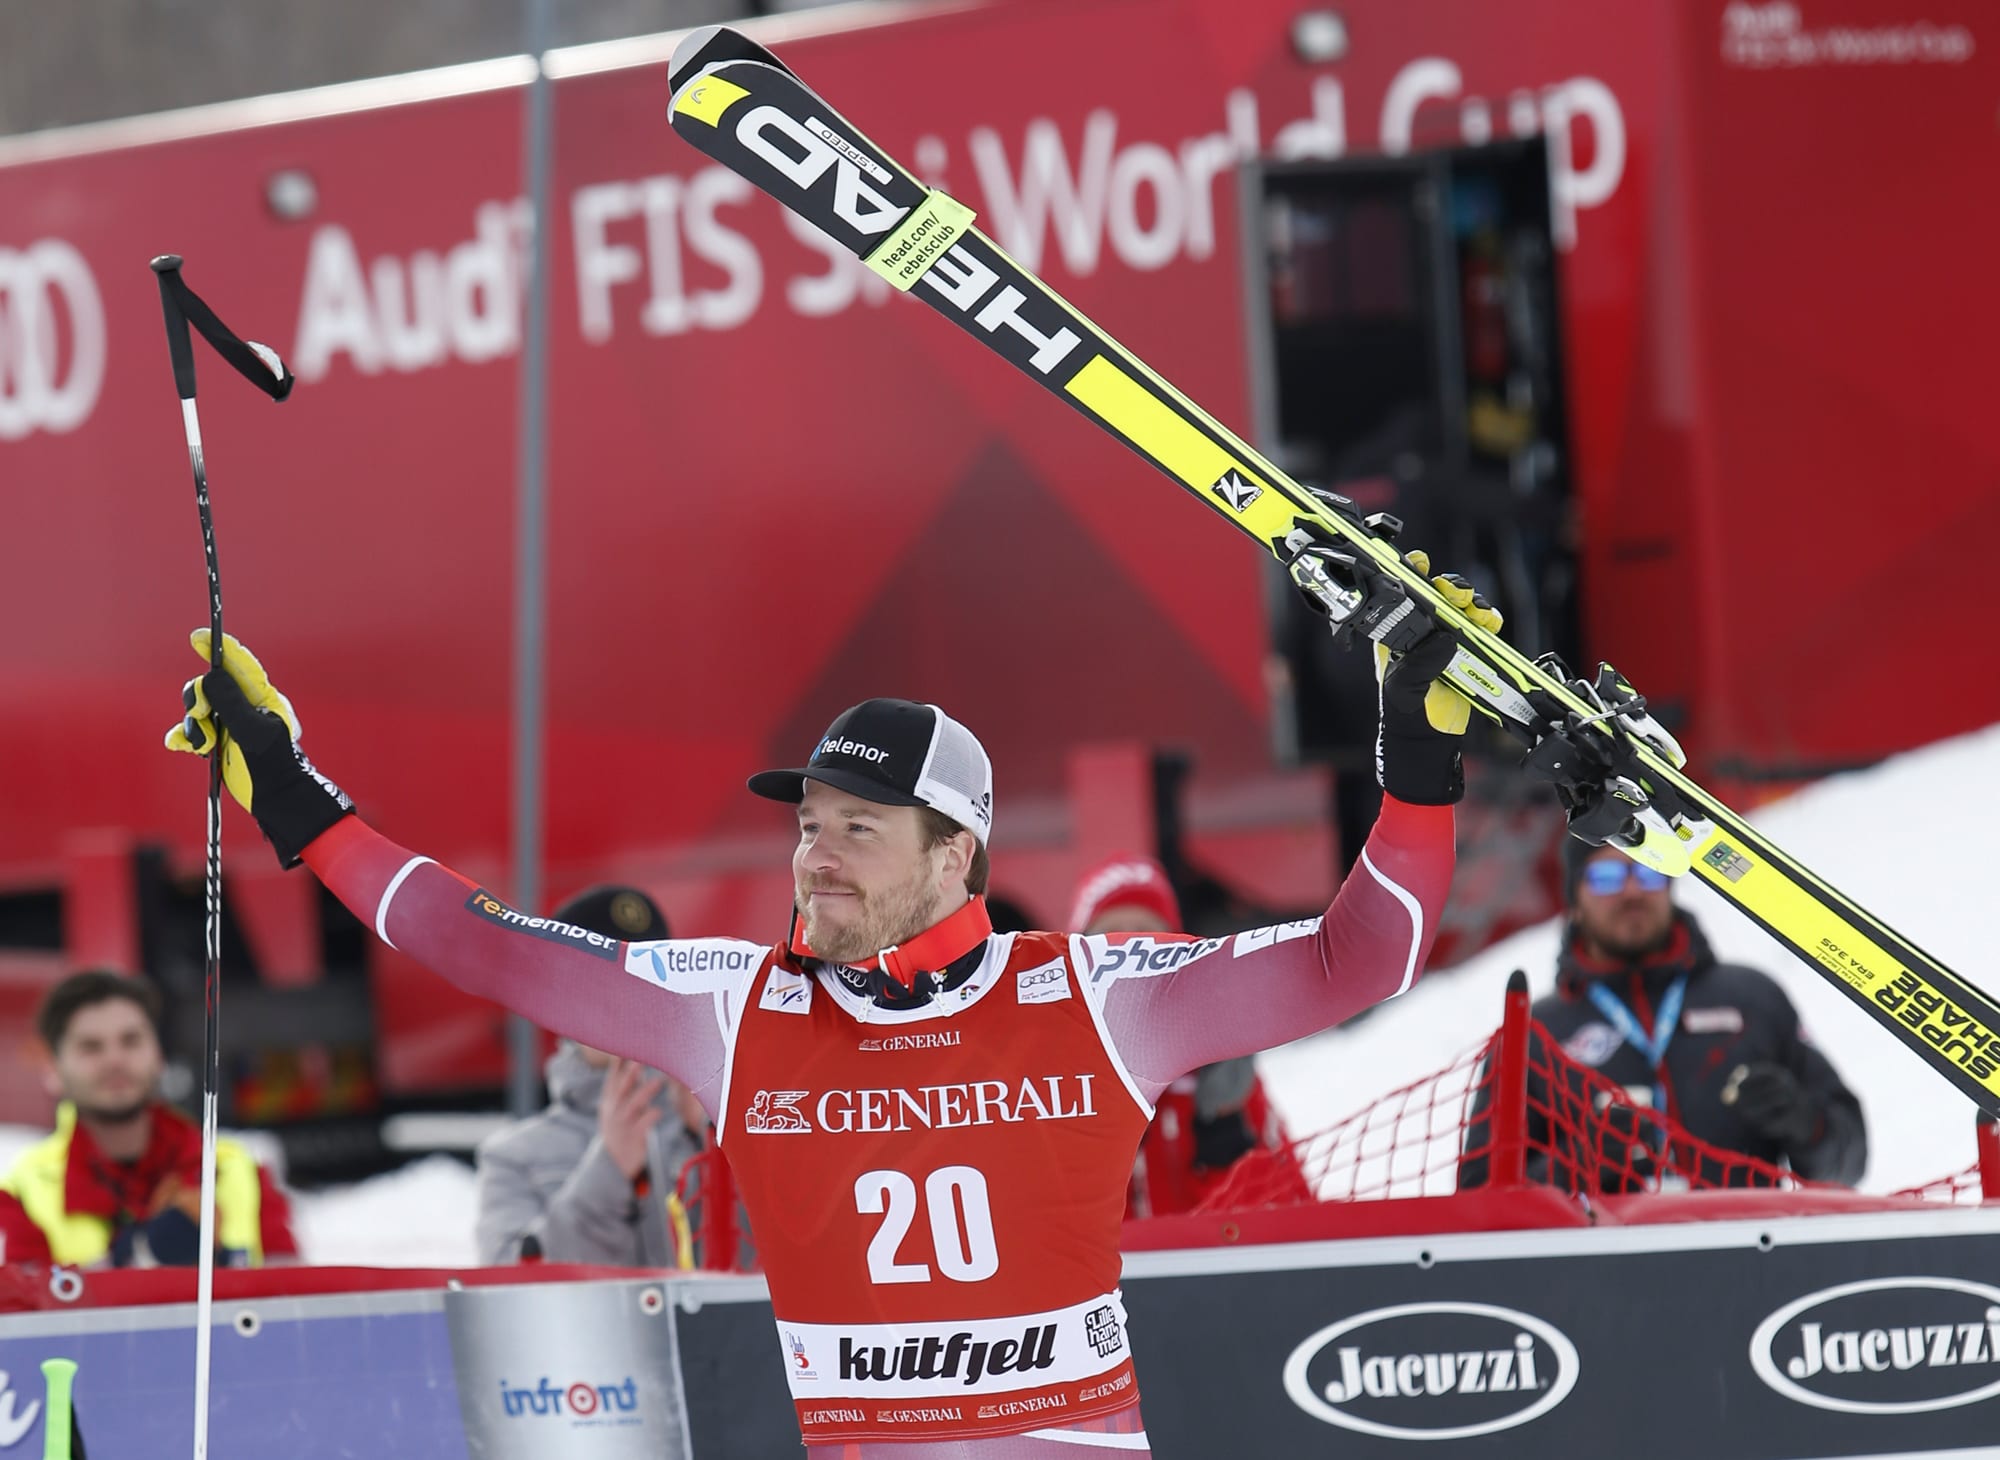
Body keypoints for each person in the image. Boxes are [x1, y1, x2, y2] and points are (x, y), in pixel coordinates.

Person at [164, 553, 1492, 1458]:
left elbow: (1357, 959)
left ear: (956, 856)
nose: (817, 856)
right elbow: (479, 944)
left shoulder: (1093, 994)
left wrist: (1418, 762)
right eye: (809, 823)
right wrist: (294, 794)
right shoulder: (732, 1009)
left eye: (861, 827)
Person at [1461, 838, 1867, 1191]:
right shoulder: (1536, 1032)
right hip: (1600, 1255)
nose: (1632, 891)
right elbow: (1478, 1201)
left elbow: (1850, 1161)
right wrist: (1575, 1166)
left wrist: (1805, 1124)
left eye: (1650, 871)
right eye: (1606, 878)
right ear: (1575, 901)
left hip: (1747, 1247)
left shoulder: (1752, 998)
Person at [474, 885, 709, 1268]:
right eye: (604, 985)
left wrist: (719, 1143)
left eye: (648, 982)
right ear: (559, 1004)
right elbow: (508, 1285)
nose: (630, 1004)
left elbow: (782, 1266)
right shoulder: (514, 1158)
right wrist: (608, 1174)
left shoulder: (711, 1123)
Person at [0, 970, 298, 1268]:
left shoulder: (241, 1171)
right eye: (90, 1047)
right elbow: (18, 1296)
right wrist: (130, 1263)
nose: (115, 1060)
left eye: (131, 1041)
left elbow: (295, 1291)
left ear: (159, 1055)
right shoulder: (22, 1195)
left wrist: (222, 1266)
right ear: (52, 1068)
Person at [1068, 856, 1260, 1212]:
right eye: (1110, 936)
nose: (1129, 952)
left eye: (1145, 934)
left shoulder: (1221, 1072)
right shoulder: (1056, 1081)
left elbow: (1289, 1215)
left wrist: (1227, 1145)